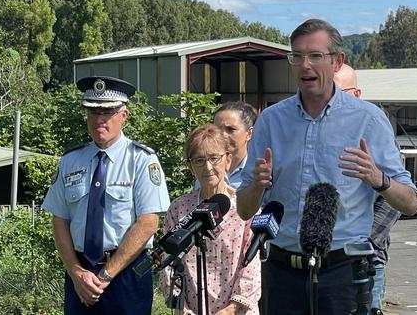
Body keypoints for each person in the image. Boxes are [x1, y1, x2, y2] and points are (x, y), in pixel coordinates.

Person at [237, 18, 417, 315]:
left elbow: (410, 203)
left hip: (343, 276)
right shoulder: (270, 121)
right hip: (281, 275)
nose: (305, 65)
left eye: (315, 56)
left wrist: (378, 178)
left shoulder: (368, 120)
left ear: (337, 62)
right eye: (297, 56)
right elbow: (244, 209)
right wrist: (257, 185)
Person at [42, 76, 171, 314]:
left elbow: (148, 223)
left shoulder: (141, 160)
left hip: (126, 273)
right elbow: (59, 219)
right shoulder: (70, 161)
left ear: (123, 115)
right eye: (93, 112)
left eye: (107, 112)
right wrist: (76, 271)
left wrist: (106, 274)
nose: (99, 119)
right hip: (80, 274)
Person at [160, 124, 261, 315]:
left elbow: (252, 268)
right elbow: (169, 262)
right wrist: (182, 307)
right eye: (199, 160)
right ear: (190, 166)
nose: (208, 167)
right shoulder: (180, 208)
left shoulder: (245, 206)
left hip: (237, 310)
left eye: (214, 158)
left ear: (228, 160)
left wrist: (230, 310)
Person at [334, 64, 401, 314]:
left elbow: (395, 196)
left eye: (340, 91)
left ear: (357, 93)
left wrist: (364, 242)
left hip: (364, 259)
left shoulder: (374, 130)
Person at [195, 101, 257, 190]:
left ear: (249, 133)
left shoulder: (256, 173)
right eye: (217, 129)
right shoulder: (206, 169)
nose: (223, 135)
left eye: (231, 129)